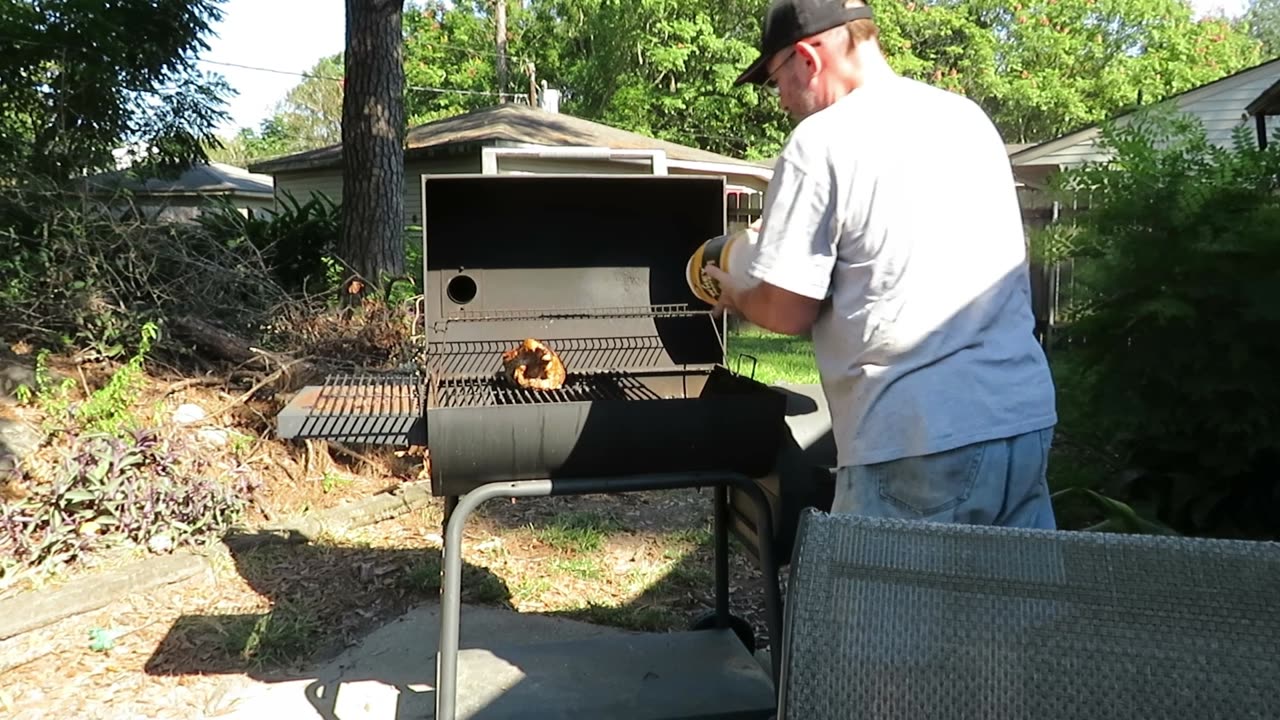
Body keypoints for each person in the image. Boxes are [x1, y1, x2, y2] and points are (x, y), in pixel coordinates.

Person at [706, 0, 1059, 528]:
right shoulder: (963, 117)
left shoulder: (820, 140)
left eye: (775, 78)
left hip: (916, 437)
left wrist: (735, 293)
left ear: (808, 57)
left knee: (884, 611)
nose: (780, 100)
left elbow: (786, 309)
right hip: (1021, 419)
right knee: (1010, 610)